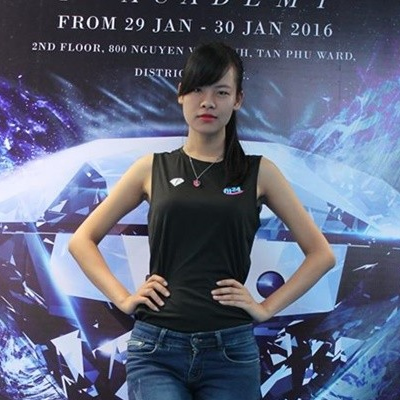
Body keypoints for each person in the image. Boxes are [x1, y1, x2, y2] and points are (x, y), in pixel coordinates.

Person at [68, 42, 336, 400]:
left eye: (221, 92)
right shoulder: (151, 168)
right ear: (181, 94)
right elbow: (81, 240)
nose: (207, 102)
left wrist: (265, 308)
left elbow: (321, 255)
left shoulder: (260, 173)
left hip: (231, 353)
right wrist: (123, 298)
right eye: (197, 89)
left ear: (237, 100)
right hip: (156, 349)